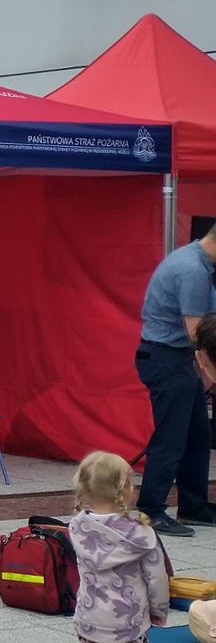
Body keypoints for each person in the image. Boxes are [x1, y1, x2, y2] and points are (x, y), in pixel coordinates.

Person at [69, 451, 170, 643]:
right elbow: (156, 578)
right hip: (132, 619)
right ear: (124, 490)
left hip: (92, 617)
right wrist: (159, 611)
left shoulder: (79, 526)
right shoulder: (140, 531)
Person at [132, 225, 216, 537]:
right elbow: (198, 333)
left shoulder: (195, 260)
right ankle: (151, 509)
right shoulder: (192, 269)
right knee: (171, 437)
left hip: (175, 358)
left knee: (198, 434)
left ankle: (194, 506)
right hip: (166, 358)